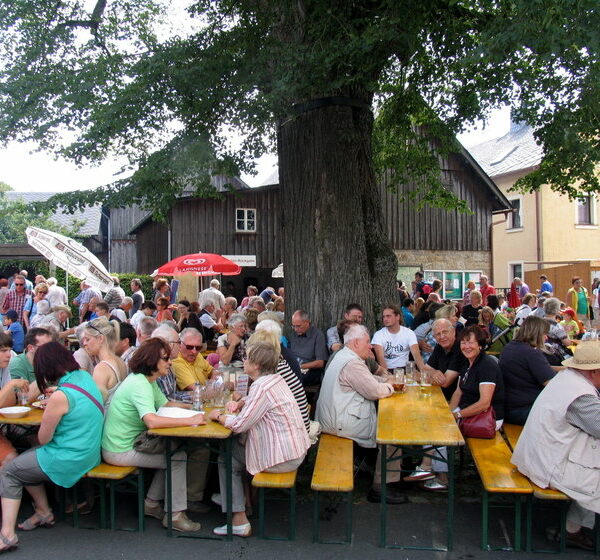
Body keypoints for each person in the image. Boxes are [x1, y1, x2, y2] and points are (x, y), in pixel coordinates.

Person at [0, 342, 104, 552]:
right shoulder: (84, 377)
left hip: (69, 457)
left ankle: (7, 534)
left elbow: (44, 439)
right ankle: (43, 511)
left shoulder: (60, 396)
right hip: (89, 452)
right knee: (25, 462)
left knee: (10, 471)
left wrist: (54, 405)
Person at [208, 339, 310, 537]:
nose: (243, 361)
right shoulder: (275, 380)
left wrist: (218, 416)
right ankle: (239, 500)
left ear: (256, 365)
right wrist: (241, 403)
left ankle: (238, 517)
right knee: (236, 450)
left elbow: (239, 425)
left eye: (246, 358)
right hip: (295, 450)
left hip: (282, 458)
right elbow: (259, 403)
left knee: (226, 457)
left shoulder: (261, 387)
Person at [102, 337, 204, 532]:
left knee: (173, 451)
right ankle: (174, 515)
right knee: (177, 457)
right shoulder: (140, 385)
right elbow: (152, 421)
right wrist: (192, 419)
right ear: (151, 360)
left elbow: (165, 404)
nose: (170, 362)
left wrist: (197, 408)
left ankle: (151, 504)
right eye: (165, 359)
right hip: (120, 449)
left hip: (130, 443)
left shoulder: (147, 379)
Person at [511, 341, 600, 551]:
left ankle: (573, 527)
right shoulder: (582, 397)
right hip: (548, 464)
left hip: (538, 454)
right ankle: (571, 530)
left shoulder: (567, 378)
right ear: (595, 371)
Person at [316, 324, 406, 504]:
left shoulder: (344, 355)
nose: (370, 346)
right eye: (367, 342)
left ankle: (368, 466)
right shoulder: (352, 363)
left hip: (333, 418)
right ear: (356, 343)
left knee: (386, 424)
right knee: (393, 435)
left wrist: (384, 380)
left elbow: (366, 380)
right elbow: (374, 391)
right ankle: (381, 486)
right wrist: (392, 386)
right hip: (340, 423)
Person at [406, 318, 469, 491]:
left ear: (454, 331)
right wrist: (434, 373)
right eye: (438, 334)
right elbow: (424, 370)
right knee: (427, 419)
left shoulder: (459, 350)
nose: (441, 337)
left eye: (445, 332)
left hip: (463, 403)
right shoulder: (441, 349)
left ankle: (437, 475)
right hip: (442, 398)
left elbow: (447, 382)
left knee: (437, 425)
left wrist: (432, 375)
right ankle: (431, 470)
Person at [253, 320, 310, 432]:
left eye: (258, 336)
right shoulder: (281, 355)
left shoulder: (275, 361)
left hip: (294, 427)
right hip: (296, 420)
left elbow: (259, 399)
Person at [499, 316, 556, 425]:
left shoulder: (510, 347)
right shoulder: (531, 353)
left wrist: (563, 369)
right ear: (537, 333)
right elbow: (551, 384)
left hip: (508, 407)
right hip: (524, 410)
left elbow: (532, 368)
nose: (546, 338)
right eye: (544, 334)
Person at [449, 325, 505, 429]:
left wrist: (457, 415)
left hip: (487, 418)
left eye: (470, 342)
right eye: (463, 343)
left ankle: (444, 444)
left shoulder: (487, 365)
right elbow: (458, 391)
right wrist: (449, 412)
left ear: (480, 345)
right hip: (466, 411)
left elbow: (484, 403)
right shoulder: (467, 362)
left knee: (444, 428)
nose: (466, 346)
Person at [0, 332, 31, 467]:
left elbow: (11, 401)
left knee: (36, 439)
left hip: (4, 426)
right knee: (11, 459)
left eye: (9, 350)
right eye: (3, 351)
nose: (8, 354)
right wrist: (10, 386)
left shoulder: (5, 367)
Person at [81, 317, 128, 406]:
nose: (84, 343)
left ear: (100, 339)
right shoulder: (120, 361)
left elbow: (94, 404)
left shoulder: (102, 368)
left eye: (87, 339)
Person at [372, 305, 425, 371]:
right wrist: (388, 376)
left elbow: (417, 357)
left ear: (397, 317)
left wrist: (424, 373)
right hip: (387, 370)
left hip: (405, 369)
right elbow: (381, 360)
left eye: (388, 316)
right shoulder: (378, 335)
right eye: (383, 317)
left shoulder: (409, 333)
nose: (385, 319)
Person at [289, 309, 328, 386]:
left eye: (298, 326)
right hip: (294, 368)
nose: (296, 329)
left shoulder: (318, 336)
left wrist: (300, 367)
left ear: (307, 323)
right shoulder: (293, 335)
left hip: (311, 370)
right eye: (294, 326)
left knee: (293, 381)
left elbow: (320, 363)